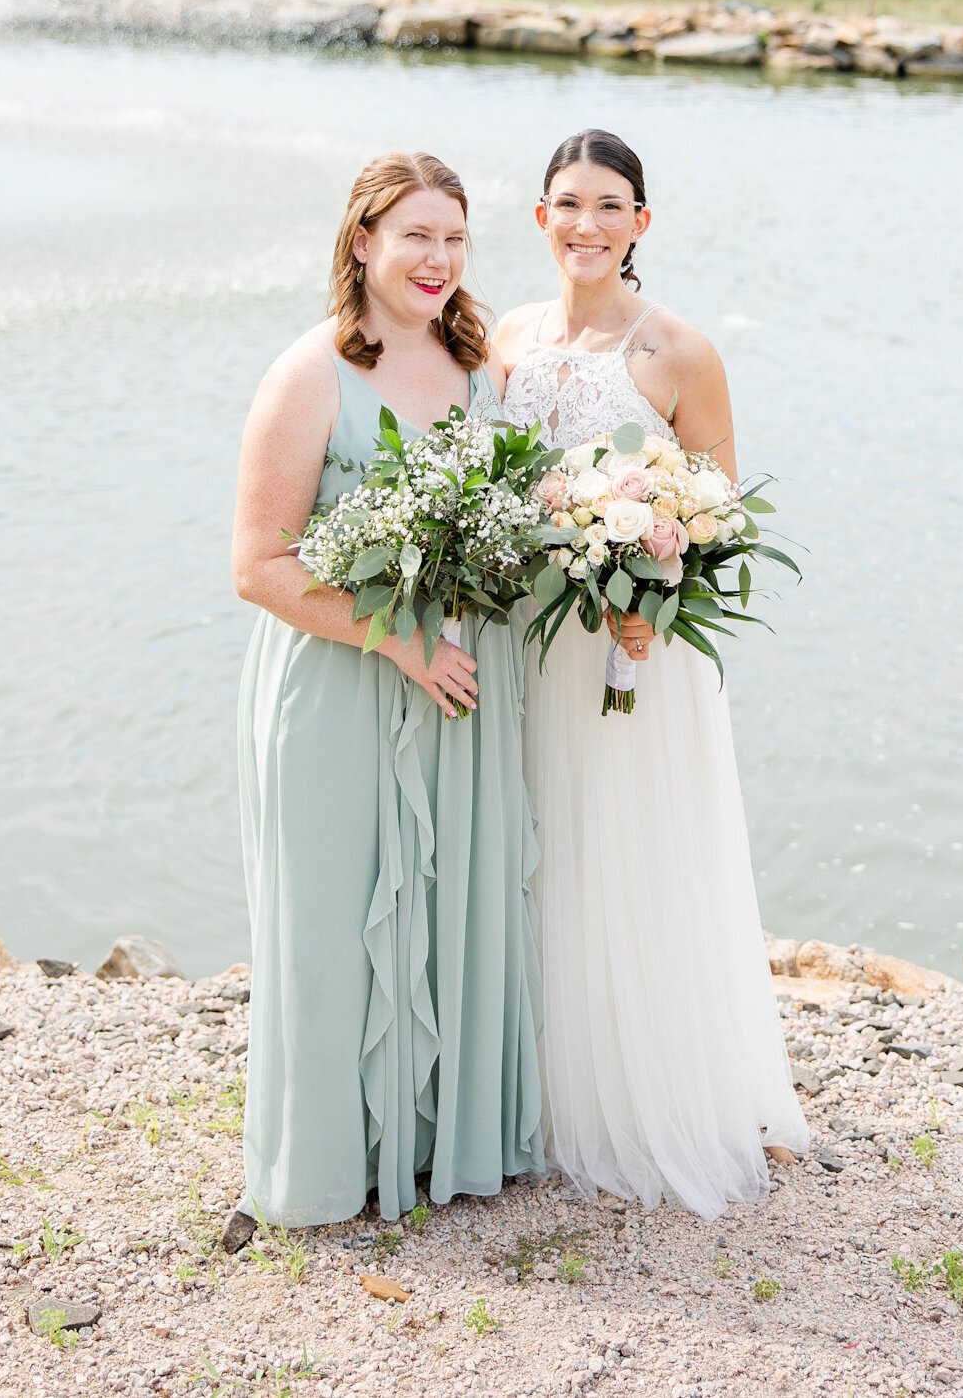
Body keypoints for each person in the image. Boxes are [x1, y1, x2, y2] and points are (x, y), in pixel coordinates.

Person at [494, 126, 807, 1217]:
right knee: (534, 844)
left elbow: (718, 515)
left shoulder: (679, 352)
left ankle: (637, 1097)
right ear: (540, 218)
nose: (587, 223)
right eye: (567, 204)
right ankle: (527, 1088)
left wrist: (651, 610)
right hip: (530, 633)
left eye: (610, 205)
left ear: (641, 223)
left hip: (636, 645)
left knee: (629, 848)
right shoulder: (500, 340)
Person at [230, 150, 542, 1226]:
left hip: (457, 686)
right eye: (415, 235)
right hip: (340, 682)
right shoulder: (308, 375)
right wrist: (398, 641)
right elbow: (258, 568)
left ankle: (432, 1147)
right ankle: (324, 1166)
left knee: (454, 906)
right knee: (332, 923)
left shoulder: (483, 373)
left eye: (455, 238)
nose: (438, 259)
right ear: (362, 241)